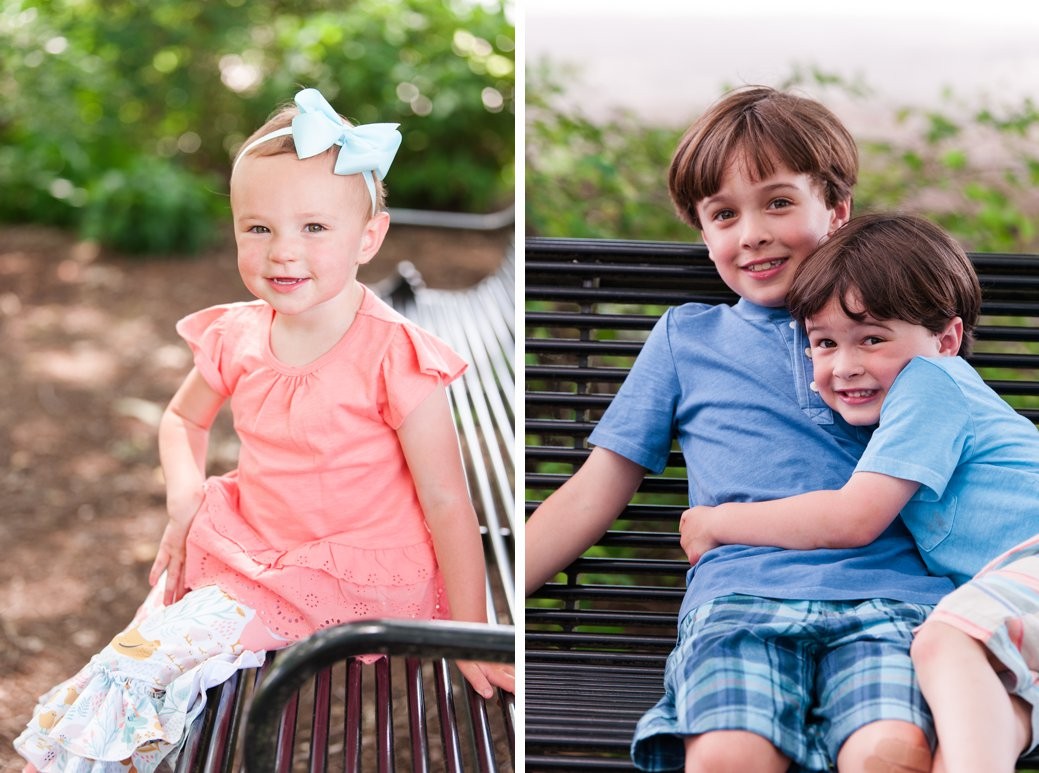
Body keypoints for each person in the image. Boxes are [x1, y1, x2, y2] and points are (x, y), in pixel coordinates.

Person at [15, 87, 514, 773]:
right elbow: (183, 417)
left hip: (348, 567)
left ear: (368, 237)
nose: (283, 252)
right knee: (141, 644)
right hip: (252, 543)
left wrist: (468, 633)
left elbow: (449, 503)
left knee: (139, 665)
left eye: (314, 228)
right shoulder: (240, 333)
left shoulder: (393, 355)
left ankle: (80, 756)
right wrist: (185, 498)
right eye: (259, 228)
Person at [525, 86, 954, 773]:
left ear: (836, 211)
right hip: (740, 602)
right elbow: (591, 492)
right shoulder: (686, 339)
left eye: (777, 202)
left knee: (891, 752)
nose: (750, 231)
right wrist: (492, 603)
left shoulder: (896, 335)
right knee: (728, 756)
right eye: (723, 213)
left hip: (892, 603)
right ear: (703, 233)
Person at [681, 213, 1039, 773]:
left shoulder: (931, 383)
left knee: (941, 644)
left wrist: (716, 523)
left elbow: (853, 517)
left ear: (946, 339)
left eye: (871, 339)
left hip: (1030, 563)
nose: (846, 367)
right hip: (1013, 605)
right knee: (990, 711)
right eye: (824, 343)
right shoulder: (915, 400)